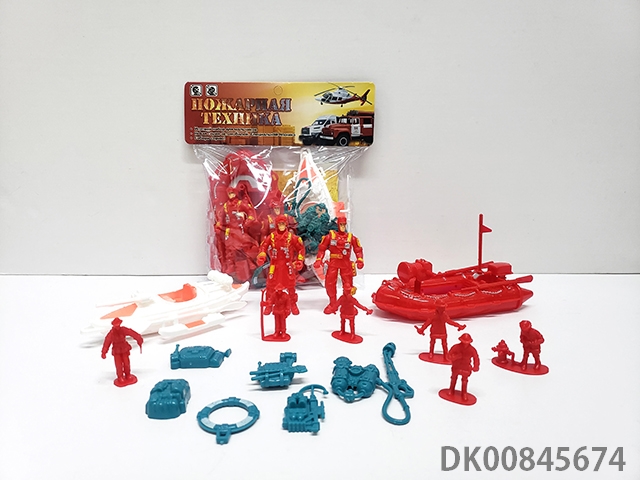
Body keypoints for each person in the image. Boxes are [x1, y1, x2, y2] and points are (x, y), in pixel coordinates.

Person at [257, 215, 305, 315]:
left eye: (283, 223)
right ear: (276, 225)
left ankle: (293, 304)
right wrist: (262, 256)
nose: (281, 226)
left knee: (291, 285)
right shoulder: (272, 237)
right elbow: (263, 246)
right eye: (280, 224)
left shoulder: (291, 237)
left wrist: (299, 260)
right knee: (270, 285)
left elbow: (300, 249)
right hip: (274, 265)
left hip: (287, 265)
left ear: (286, 224)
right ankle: (269, 305)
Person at [314, 216, 364, 314]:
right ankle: (333, 303)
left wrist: (360, 260)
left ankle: (347, 302)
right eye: (341, 224)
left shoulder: (351, 238)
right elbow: (322, 249)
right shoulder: (330, 236)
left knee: (348, 285)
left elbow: (358, 249)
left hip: (345, 264)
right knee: (329, 284)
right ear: (337, 225)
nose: (342, 226)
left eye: (344, 224)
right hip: (333, 263)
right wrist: (319, 260)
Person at [101, 318, 143, 387]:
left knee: (126, 363)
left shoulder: (123, 330)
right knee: (118, 365)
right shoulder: (111, 333)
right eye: (116, 325)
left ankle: (128, 374)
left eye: (118, 325)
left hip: (124, 348)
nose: (117, 326)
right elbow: (107, 342)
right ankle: (120, 377)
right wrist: (104, 352)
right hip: (116, 350)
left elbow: (131, 333)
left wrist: (139, 338)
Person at [447, 333, 480, 401]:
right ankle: (451, 389)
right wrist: (456, 357)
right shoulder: (456, 347)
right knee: (453, 378)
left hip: (465, 367)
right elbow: (448, 356)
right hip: (456, 366)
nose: (465, 344)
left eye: (467, 342)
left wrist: (476, 366)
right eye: (464, 342)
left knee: (464, 381)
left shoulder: (472, 349)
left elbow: (476, 358)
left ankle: (464, 393)